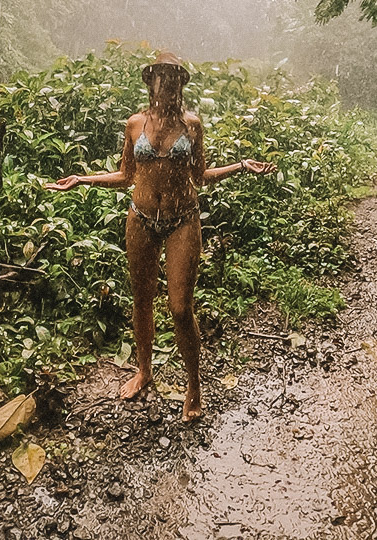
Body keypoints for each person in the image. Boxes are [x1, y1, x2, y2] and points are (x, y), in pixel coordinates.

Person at [45, 52, 275, 421]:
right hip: (140, 219)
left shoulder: (192, 125)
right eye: (160, 78)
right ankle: (144, 371)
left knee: (181, 308)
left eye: (173, 78)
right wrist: (81, 179)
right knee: (141, 301)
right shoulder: (135, 124)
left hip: (182, 220)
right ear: (151, 82)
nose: (165, 84)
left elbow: (199, 176)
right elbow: (125, 175)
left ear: (181, 84)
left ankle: (194, 385)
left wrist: (241, 166)